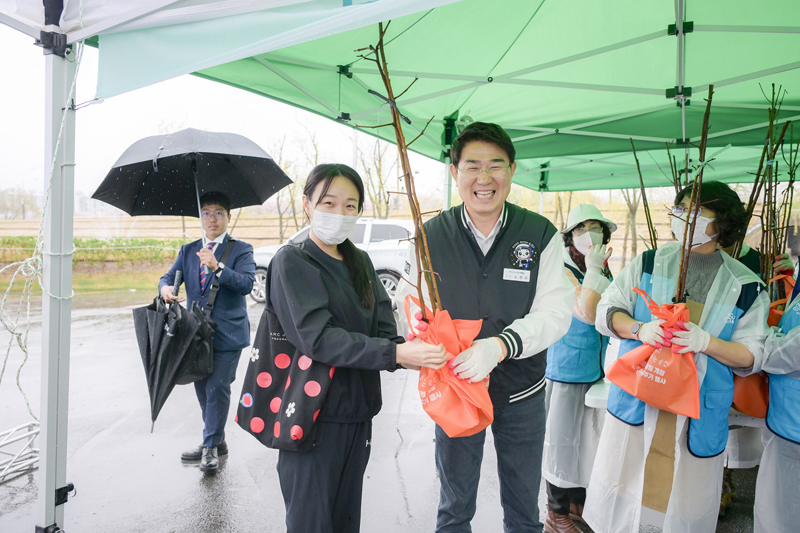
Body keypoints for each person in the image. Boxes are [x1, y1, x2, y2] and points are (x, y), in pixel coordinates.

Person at [396, 122, 573, 532]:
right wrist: (416, 318)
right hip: (456, 387)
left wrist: (501, 345)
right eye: (472, 166)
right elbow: (407, 299)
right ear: (455, 172)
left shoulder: (539, 234)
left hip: (522, 391)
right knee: (454, 505)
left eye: (496, 166)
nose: (484, 178)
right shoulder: (428, 235)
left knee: (523, 506)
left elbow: (556, 310)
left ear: (512, 170)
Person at [266, 163, 448, 533]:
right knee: (311, 522)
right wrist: (395, 354)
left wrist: (416, 347)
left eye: (351, 206)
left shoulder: (359, 261)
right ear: (307, 204)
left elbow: (384, 327)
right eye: (329, 203)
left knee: (346, 518)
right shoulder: (293, 261)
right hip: (312, 415)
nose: (340, 213)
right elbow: (317, 338)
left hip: (357, 412)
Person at [584, 180, 770, 533]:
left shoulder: (745, 285)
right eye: (681, 210)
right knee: (625, 491)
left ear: (723, 224)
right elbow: (607, 310)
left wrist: (706, 342)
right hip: (642, 397)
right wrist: (640, 329)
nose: (684, 218)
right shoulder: (652, 262)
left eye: (697, 213)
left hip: (697, 407)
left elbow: (752, 354)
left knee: (686, 501)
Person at [159, 191, 256, 473]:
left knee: (217, 388)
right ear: (200, 217)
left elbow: (247, 283)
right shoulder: (189, 250)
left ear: (228, 217)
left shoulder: (241, 249)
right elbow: (169, 278)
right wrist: (166, 289)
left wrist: (218, 267)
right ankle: (216, 441)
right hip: (196, 334)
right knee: (202, 388)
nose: (212, 218)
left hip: (228, 333)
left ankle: (210, 446)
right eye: (206, 212)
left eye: (218, 213)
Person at [542, 204, 616, 533]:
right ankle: (555, 515)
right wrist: (597, 270)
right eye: (582, 228)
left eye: (596, 227)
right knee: (560, 441)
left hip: (593, 368)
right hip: (566, 367)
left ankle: (575, 503)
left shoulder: (599, 267)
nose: (590, 234)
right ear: (569, 236)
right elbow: (586, 311)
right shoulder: (562, 267)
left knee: (585, 440)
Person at [752, 288, 800, 533]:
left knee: (781, 510)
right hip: (786, 413)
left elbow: (791, 353)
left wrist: (763, 342)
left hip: (794, 424)